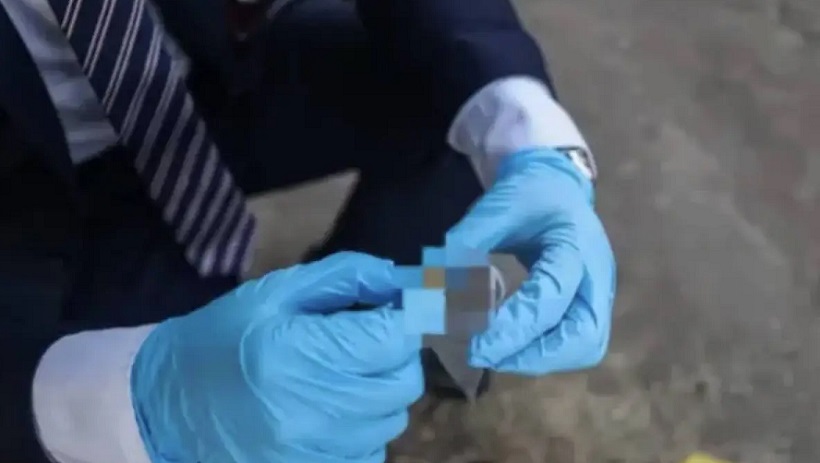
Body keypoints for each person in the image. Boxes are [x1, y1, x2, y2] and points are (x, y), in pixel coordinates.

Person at [0, 0, 616, 461]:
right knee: (184, 423)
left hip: (195, 70)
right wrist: (99, 401)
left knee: (447, 99)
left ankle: (431, 346)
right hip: (30, 216)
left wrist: (532, 139)